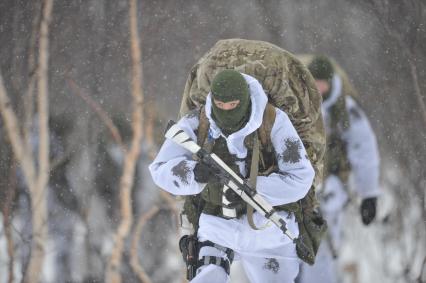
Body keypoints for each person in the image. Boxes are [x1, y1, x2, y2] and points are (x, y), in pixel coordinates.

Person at [149, 69, 316, 283]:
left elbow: (300, 178)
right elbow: (160, 169)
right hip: (216, 225)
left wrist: (253, 189)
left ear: (245, 100)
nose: (226, 111)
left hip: (268, 228)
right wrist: (192, 173)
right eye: (220, 105)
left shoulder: (273, 121)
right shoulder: (198, 121)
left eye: (233, 105)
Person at [297, 55, 381, 283]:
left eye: (323, 82)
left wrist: (369, 194)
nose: (319, 88)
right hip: (296, 189)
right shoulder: (295, 106)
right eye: (314, 82)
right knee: (289, 247)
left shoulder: (345, 111)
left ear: (331, 82)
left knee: (322, 247)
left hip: (331, 189)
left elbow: (364, 150)